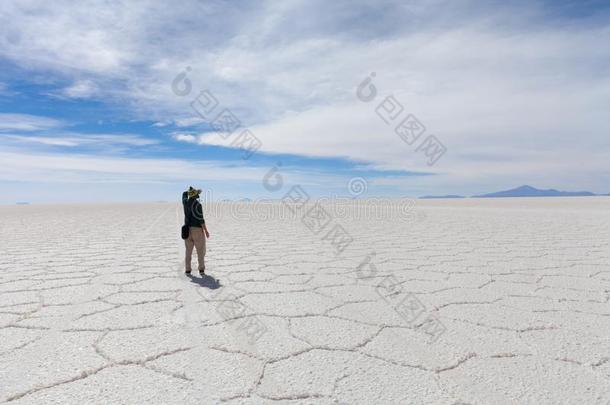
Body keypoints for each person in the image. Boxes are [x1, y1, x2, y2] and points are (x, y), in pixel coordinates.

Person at [183, 186, 210, 274]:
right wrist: (205, 230)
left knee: (188, 251)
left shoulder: (185, 202)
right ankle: (201, 269)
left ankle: (187, 269)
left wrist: (189, 191)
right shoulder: (198, 205)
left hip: (187, 230)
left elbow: (184, 194)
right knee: (200, 250)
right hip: (197, 230)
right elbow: (200, 218)